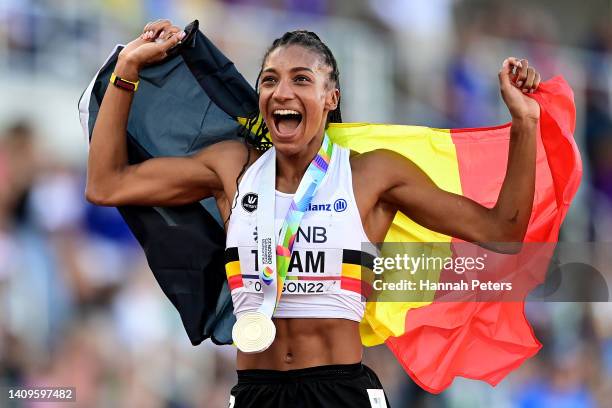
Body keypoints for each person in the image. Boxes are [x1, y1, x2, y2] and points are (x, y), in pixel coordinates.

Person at [86, 19, 542, 408]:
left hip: (340, 391)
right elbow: (106, 184)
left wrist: (525, 124)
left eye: (301, 79)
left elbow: (502, 231)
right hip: (255, 392)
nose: (281, 91)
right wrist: (127, 69)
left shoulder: (371, 175)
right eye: (269, 80)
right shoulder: (232, 167)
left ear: (331, 97)